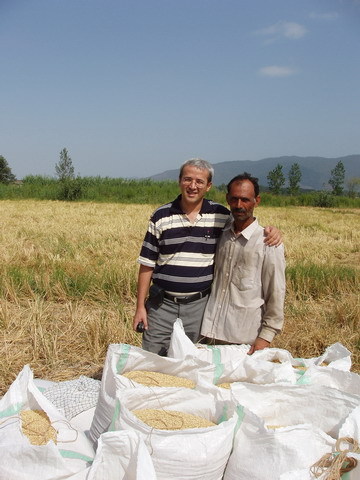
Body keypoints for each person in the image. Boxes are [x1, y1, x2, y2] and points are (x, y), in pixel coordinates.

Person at [133, 159, 282, 356]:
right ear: (179, 181)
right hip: (161, 305)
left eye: (199, 181)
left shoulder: (220, 216)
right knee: (152, 359)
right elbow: (147, 264)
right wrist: (140, 307)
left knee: (191, 361)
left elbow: (245, 223)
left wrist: (271, 231)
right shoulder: (161, 216)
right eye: (188, 179)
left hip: (199, 308)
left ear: (208, 186)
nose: (193, 186)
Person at [200, 172, 286, 354]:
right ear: (227, 199)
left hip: (243, 339)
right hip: (209, 332)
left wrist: (266, 335)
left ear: (257, 200)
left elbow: (276, 291)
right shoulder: (221, 234)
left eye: (245, 200)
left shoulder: (268, 243)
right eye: (234, 199)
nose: (239, 206)